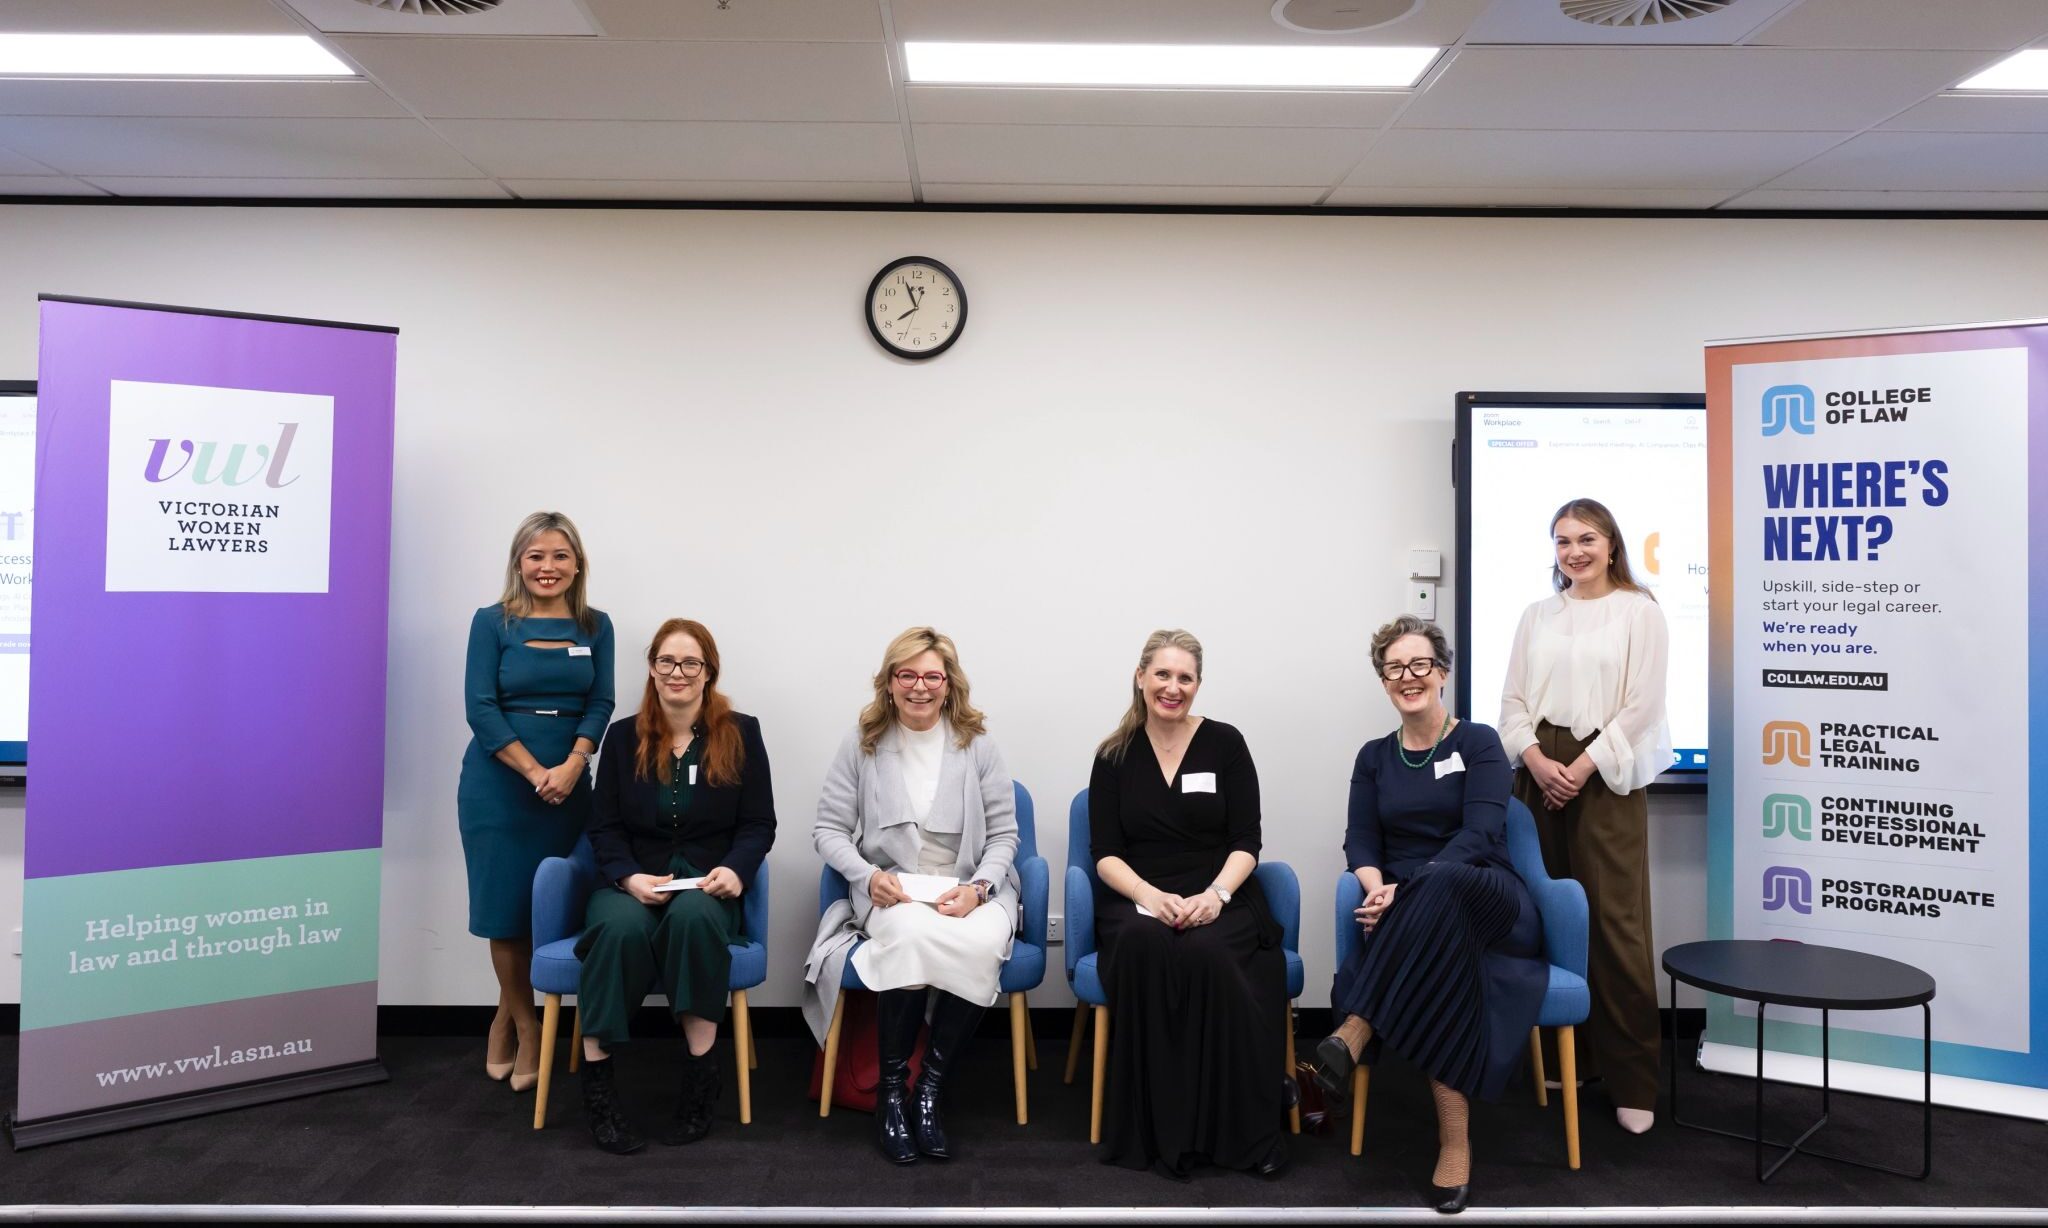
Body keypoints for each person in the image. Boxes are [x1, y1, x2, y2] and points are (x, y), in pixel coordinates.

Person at [1309, 616, 1547, 1214]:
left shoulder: (1480, 742)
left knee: (1442, 883)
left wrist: (1403, 889)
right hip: (1413, 909)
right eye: (1394, 668)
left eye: (1420, 665)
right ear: (1384, 680)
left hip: (1488, 893)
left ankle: (1354, 1030)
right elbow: (1360, 841)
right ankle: (1455, 1145)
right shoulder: (1372, 757)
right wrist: (1375, 885)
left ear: (1442, 673)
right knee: (1444, 959)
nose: (1408, 677)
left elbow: (1481, 832)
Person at [805, 627, 1019, 1165]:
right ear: (889, 682)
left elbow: (1004, 837)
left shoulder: (979, 745)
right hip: (893, 887)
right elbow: (828, 830)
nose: (919, 687)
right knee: (907, 933)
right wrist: (865, 876)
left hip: (969, 887)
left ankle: (929, 1091)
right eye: (907, 675)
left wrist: (979, 889)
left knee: (983, 940)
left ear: (949, 685)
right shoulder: (863, 743)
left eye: (931, 676)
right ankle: (891, 1095)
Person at [1498, 497, 1671, 1136]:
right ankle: (1571, 1059)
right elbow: (1512, 702)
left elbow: (1642, 707)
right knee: (1544, 919)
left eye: (1587, 539)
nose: (1574, 551)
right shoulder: (1536, 615)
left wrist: (1582, 768)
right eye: (1563, 540)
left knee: (1614, 927)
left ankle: (1633, 1079)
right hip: (1537, 772)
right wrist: (1539, 762)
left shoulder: (1638, 611)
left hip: (1606, 776)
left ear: (1611, 544)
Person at [1088, 629, 1288, 1181]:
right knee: (1145, 945)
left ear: (1197, 685)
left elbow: (1248, 840)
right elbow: (1104, 854)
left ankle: (1248, 1131)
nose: (1173, 688)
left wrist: (1217, 896)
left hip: (1219, 891)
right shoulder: (1113, 756)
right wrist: (1148, 897)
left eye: (1185, 678)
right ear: (1140, 677)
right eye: (1163, 675)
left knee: (1208, 955)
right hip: (1138, 895)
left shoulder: (1226, 743)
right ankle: (1156, 1131)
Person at [575, 619, 776, 1154]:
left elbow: (758, 823)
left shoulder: (742, 732)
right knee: (617, 931)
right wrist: (626, 877)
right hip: (632, 883)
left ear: (709, 672)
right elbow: (604, 827)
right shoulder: (622, 738)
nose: (678, 673)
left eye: (690, 663)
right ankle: (598, 1090)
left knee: (693, 922)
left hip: (707, 886)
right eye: (667, 662)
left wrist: (736, 869)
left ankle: (700, 1080)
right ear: (652, 668)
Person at [457, 511, 614, 1094]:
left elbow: (601, 702)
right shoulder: (491, 622)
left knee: (548, 907)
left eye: (559, 556)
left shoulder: (596, 626)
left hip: (571, 786)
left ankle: (502, 1016)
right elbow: (480, 707)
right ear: (518, 563)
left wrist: (573, 766)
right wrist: (532, 770)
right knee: (504, 911)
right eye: (536, 556)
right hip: (499, 785)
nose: (547, 567)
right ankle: (525, 1025)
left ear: (577, 565)